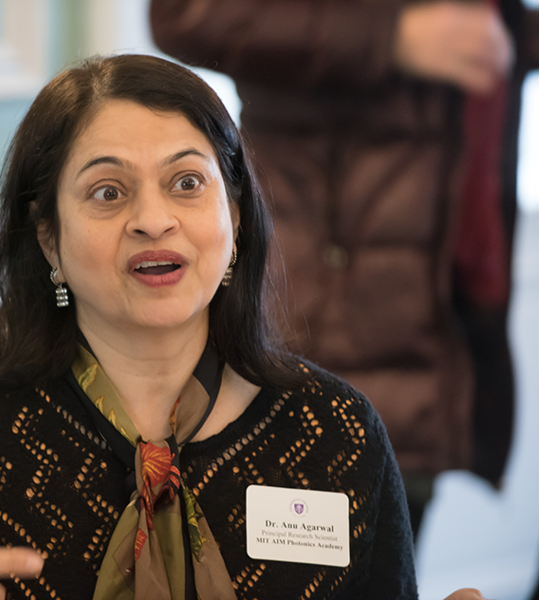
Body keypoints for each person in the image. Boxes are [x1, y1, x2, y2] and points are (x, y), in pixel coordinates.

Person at [0, 54, 485, 600]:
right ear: (49, 241)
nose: (153, 219)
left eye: (186, 182)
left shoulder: (338, 433)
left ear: (233, 219)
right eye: (108, 192)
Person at [150, 0, 539, 539]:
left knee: (392, 558)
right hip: (322, 301)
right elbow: (188, 13)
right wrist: (390, 37)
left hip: (442, 306)